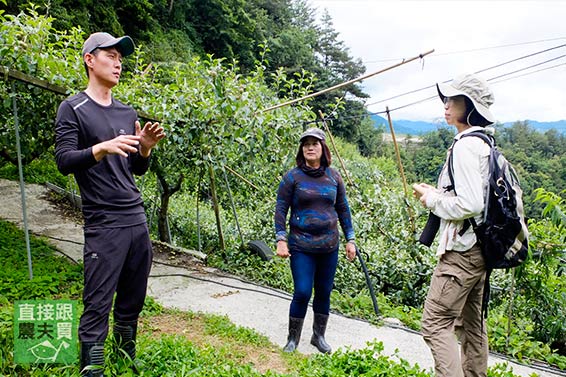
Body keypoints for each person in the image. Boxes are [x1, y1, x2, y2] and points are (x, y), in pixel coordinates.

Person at [55, 32, 165, 376]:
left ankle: (125, 354)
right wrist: (100, 148)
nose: (118, 63)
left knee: (133, 297)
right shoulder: (73, 108)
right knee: (98, 301)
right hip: (104, 221)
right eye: (111, 55)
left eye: (121, 58)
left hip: (136, 218)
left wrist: (144, 147)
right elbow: (63, 160)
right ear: (90, 59)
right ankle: (93, 369)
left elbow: (135, 168)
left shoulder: (125, 111)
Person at [412, 73, 495, 377]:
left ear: (470, 106)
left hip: (461, 253)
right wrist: (437, 194)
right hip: (481, 251)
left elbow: (470, 204)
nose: (446, 105)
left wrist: (431, 201)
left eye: (453, 100)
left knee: (435, 323)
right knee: (473, 326)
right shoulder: (486, 144)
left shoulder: (465, 146)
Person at [274, 127, 356, 354]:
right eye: (306, 143)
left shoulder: (334, 176)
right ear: (302, 149)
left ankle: (318, 337)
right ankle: (292, 339)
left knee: (324, 292)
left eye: (315, 143)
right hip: (301, 245)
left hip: (329, 246)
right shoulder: (292, 177)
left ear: (323, 148)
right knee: (302, 291)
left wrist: (351, 239)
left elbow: (343, 209)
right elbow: (281, 209)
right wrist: (281, 239)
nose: (310, 147)